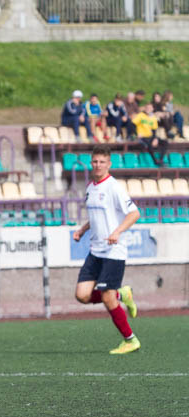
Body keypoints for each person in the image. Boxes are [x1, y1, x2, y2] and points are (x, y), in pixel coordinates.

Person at [72, 146, 140, 355]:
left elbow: (134, 213)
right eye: (95, 162)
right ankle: (122, 294)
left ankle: (130, 340)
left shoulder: (114, 187)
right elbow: (96, 218)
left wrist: (117, 231)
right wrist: (82, 229)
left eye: (102, 162)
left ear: (109, 164)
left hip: (113, 251)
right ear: (91, 163)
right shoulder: (90, 188)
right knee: (82, 295)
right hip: (96, 251)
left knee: (107, 298)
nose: (98, 165)